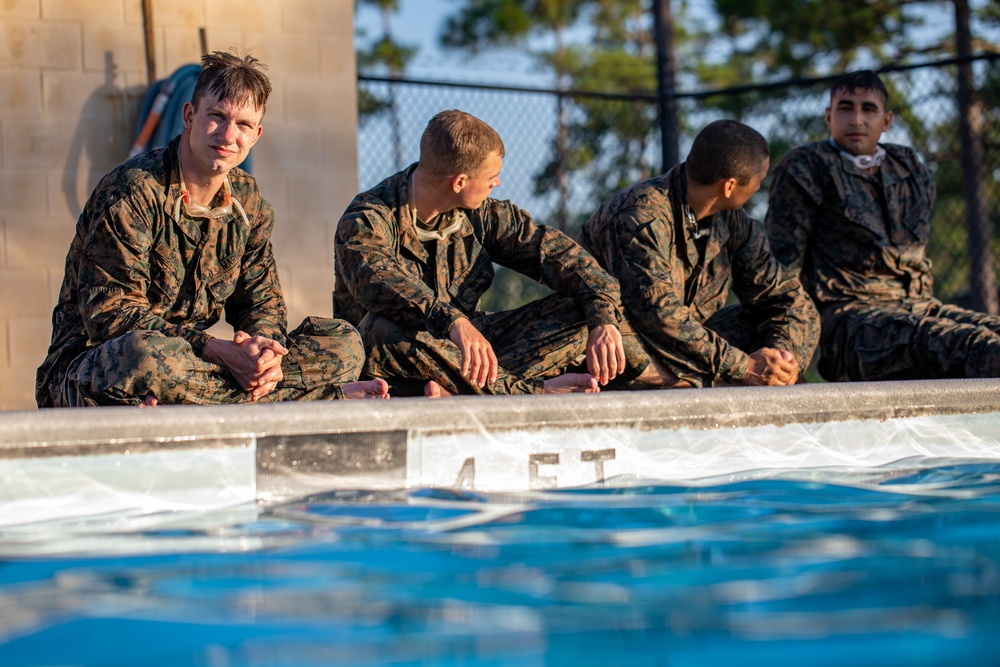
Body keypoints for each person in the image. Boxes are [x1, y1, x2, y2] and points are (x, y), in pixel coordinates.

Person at [36, 50, 388, 407]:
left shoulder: (248, 202)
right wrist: (214, 349)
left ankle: (234, 398)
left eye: (244, 125)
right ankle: (302, 399)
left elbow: (262, 303)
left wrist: (262, 353)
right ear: (189, 115)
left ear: (257, 134)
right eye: (216, 116)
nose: (228, 134)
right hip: (94, 367)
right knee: (147, 356)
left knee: (343, 344)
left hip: (192, 370)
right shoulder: (133, 191)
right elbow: (111, 316)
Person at [335, 109, 648, 397]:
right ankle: (527, 393)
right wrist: (452, 322)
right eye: (490, 178)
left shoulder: (484, 213)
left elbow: (565, 258)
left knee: (581, 311)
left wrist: (603, 320)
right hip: (398, 360)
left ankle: (461, 393)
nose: (497, 183)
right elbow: (380, 283)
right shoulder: (367, 219)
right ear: (459, 182)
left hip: (471, 360)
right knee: (382, 329)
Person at [766, 69, 1000, 381]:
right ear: (828, 116)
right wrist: (787, 353)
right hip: (853, 324)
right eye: (845, 108)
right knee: (975, 347)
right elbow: (783, 276)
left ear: (886, 121)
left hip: (920, 307)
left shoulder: (908, 167)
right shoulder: (807, 168)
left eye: (868, 109)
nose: (857, 120)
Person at [580, 119, 819, 388]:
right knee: (630, 348)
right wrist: (745, 367)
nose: (758, 188)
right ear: (728, 186)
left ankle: (738, 391)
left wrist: (779, 358)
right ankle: (708, 386)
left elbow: (786, 296)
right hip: (626, 347)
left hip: (690, 350)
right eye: (758, 180)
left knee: (781, 317)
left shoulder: (732, 220)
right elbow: (659, 319)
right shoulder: (641, 216)